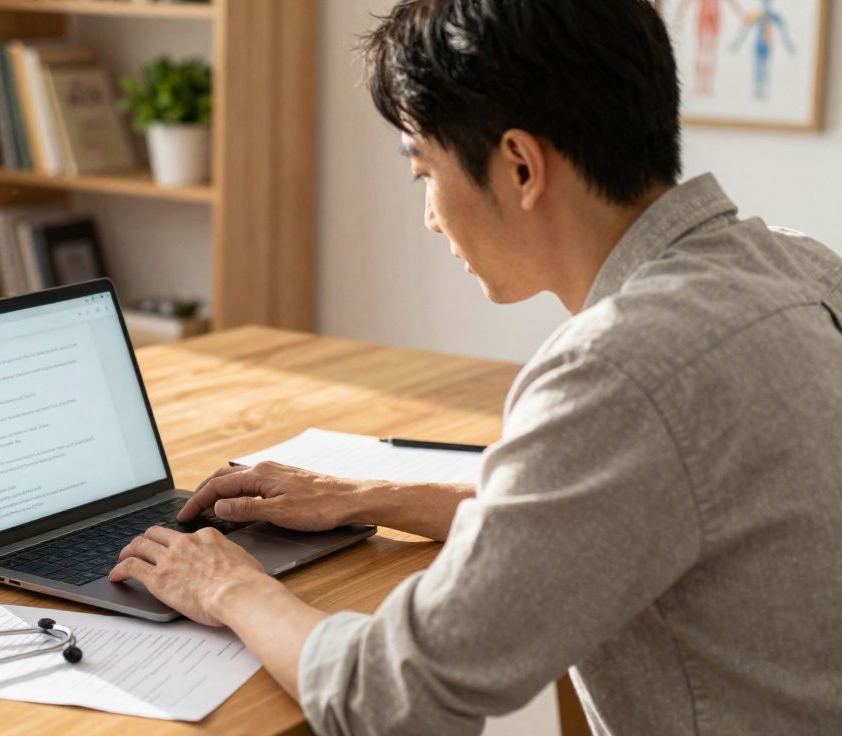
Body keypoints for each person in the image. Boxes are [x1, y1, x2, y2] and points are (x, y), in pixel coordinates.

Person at [109, 1, 842, 733]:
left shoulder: (620, 370)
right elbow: (596, 512)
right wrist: (362, 496)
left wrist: (228, 586)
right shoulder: (798, 268)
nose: (430, 216)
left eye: (425, 170)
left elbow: (393, 698)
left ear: (520, 165)